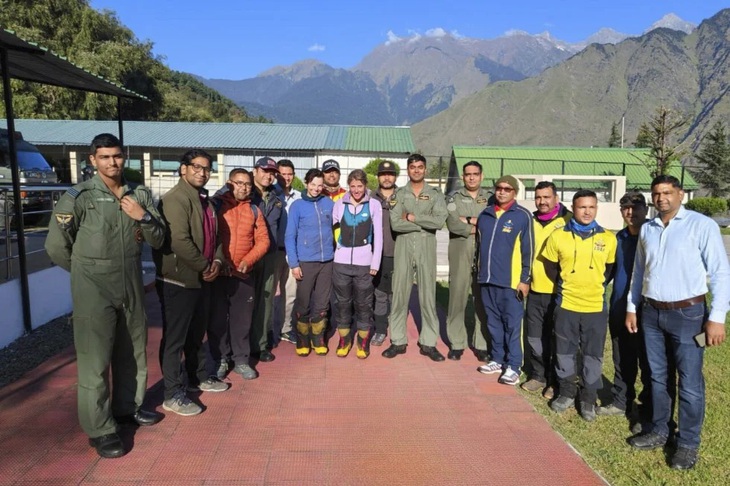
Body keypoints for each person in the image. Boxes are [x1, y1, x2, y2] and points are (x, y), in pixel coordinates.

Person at [45, 133, 165, 458]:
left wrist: (144, 216)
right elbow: (56, 245)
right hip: (93, 288)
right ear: (93, 160)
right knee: (94, 361)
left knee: (132, 352)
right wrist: (85, 274)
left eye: (117, 156)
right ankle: (100, 429)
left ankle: (127, 408)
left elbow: (158, 238)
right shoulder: (79, 197)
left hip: (129, 283)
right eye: (105, 157)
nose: (113, 162)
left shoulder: (138, 194)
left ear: (124, 157)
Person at [626, 175, 730, 470]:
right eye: (657, 194)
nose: (662, 198)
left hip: (690, 315)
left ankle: (687, 444)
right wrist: (633, 308)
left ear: (680, 194)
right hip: (651, 314)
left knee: (690, 382)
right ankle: (659, 429)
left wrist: (717, 318)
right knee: (657, 377)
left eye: (668, 193)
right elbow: (639, 272)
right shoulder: (648, 228)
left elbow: (721, 273)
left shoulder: (701, 226)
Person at [154, 149, 229, 418]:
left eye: (207, 168)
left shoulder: (205, 201)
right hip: (178, 280)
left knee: (197, 335)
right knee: (175, 339)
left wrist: (217, 263)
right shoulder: (175, 199)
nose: (202, 172)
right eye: (196, 167)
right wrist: (205, 266)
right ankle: (172, 393)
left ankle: (198, 377)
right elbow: (179, 241)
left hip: (202, 279)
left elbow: (218, 238)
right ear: (183, 169)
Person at [543, 190, 616, 421]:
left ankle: (587, 397)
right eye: (582, 207)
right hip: (567, 305)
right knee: (564, 351)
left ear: (596, 209)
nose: (587, 211)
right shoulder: (558, 236)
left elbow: (610, 270)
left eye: (591, 207)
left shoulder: (608, 238)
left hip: (595, 307)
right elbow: (551, 268)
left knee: (592, 354)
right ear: (573, 209)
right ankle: (566, 391)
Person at [382, 154, 448, 361]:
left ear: (425, 169)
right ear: (407, 170)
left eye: (420, 167)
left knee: (428, 294)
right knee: (400, 292)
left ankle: (428, 342)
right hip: (403, 245)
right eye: (413, 167)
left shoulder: (435, 194)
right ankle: (398, 341)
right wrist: (423, 223)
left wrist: (412, 217)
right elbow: (396, 223)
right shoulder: (399, 194)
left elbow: (439, 222)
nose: (417, 170)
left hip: (426, 246)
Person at [598, 192, 653, 426]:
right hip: (620, 308)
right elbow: (605, 273)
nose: (631, 213)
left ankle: (648, 407)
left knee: (650, 361)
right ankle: (621, 401)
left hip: (649, 311)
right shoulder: (617, 239)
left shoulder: (655, 235)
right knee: (622, 358)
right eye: (626, 208)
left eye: (636, 207)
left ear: (646, 209)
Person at [209, 169, 269, 380]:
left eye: (247, 184)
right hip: (219, 273)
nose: (243, 187)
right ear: (229, 183)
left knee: (242, 320)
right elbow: (209, 235)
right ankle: (221, 359)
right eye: (239, 183)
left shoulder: (254, 210)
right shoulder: (216, 206)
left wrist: (248, 260)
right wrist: (219, 260)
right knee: (217, 320)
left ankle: (241, 360)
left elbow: (263, 240)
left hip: (244, 273)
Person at [475, 175, 533, 385]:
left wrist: (525, 279)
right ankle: (497, 359)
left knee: (512, 325)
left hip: (511, 283)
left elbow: (529, 250)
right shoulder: (486, 215)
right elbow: (478, 248)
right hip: (487, 280)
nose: (501, 192)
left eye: (507, 189)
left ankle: (514, 366)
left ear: (514, 192)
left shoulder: (522, 216)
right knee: (493, 323)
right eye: (499, 188)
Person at [521, 181, 572, 398]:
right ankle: (537, 375)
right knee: (534, 337)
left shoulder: (568, 220)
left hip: (559, 291)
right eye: (539, 197)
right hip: (534, 289)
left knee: (556, 338)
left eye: (547, 197)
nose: (542, 201)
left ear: (556, 198)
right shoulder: (530, 221)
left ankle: (554, 380)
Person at [332, 169, 383, 358]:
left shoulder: (374, 205)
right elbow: (334, 231)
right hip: (341, 264)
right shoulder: (338, 204)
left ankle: (362, 342)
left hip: (365, 265)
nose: (356, 190)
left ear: (365, 186)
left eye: (360, 186)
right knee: (343, 304)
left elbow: (378, 237)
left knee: (364, 304)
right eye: (352, 186)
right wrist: (336, 253)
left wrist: (374, 263)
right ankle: (344, 340)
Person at [445, 161, 492, 361]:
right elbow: (453, 224)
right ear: (463, 177)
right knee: (457, 298)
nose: (471, 177)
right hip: (460, 252)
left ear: (481, 176)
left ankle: (481, 344)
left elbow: (494, 223)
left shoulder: (490, 199)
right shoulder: (454, 198)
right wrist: (480, 225)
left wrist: (471, 220)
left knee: (482, 299)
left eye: (475, 174)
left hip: (485, 254)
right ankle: (457, 343)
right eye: (467, 174)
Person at [285, 168, 335, 356]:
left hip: (327, 261)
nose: (316, 188)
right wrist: (294, 263)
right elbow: (290, 236)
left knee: (322, 303)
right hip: (305, 261)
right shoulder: (297, 206)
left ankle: (317, 337)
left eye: (320, 185)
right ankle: (303, 337)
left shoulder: (328, 202)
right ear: (306, 184)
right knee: (304, 302)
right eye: (313, 184)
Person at [250, 157, 285, 362]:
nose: (268, 175)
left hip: (269, 255)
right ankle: (236, 347)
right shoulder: (244, 192)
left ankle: (260, 344)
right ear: (255, 171)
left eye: (272, 172)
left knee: (265, 300)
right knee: (242, 302)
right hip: (246, 255)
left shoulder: (277, 197)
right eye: (264, 170)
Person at [272, 159, 301, 345]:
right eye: (283, 174)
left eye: (289, 174)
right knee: (268, 295)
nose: (287, 177)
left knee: (290, 294)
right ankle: (267, 331)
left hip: (293, 253)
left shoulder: (299, 197)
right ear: (276, 175)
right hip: (273, 252)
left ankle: (286, 328)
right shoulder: (271, 196)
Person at [371, 160, 398, 346]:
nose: (386, 177)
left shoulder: (404, 196)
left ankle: (397, 332)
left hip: (399, 252)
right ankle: (380, 330)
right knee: (379, 293)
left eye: (390, 174)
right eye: (383, 174)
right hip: (377, 255)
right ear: (378, 177)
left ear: (395, 177)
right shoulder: (370, 197)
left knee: (396, 294)